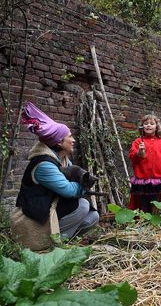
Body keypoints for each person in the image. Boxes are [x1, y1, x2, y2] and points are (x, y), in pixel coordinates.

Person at [15, 102, 99, 239]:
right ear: (59, 142)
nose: (73, 140)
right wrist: (85, 186)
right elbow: (69, 190)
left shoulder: (64, 160)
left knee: (93, 216)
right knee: (83, 205)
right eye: (69, 137)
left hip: (51, 206)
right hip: (35, 214)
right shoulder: (44, 164)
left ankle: (63, 240)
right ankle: (51, 243)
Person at [128, 114, 161, 213]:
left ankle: (154, 224)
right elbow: (132, 157)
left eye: (152, 124)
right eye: (146, 123)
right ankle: (143, 222)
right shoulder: (138, 142)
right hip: (142, 180)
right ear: (142, 126)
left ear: (157, 127)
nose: (148, 125)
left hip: (157, 180)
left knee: (156, 203)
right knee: (142, 204)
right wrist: (139, 153)